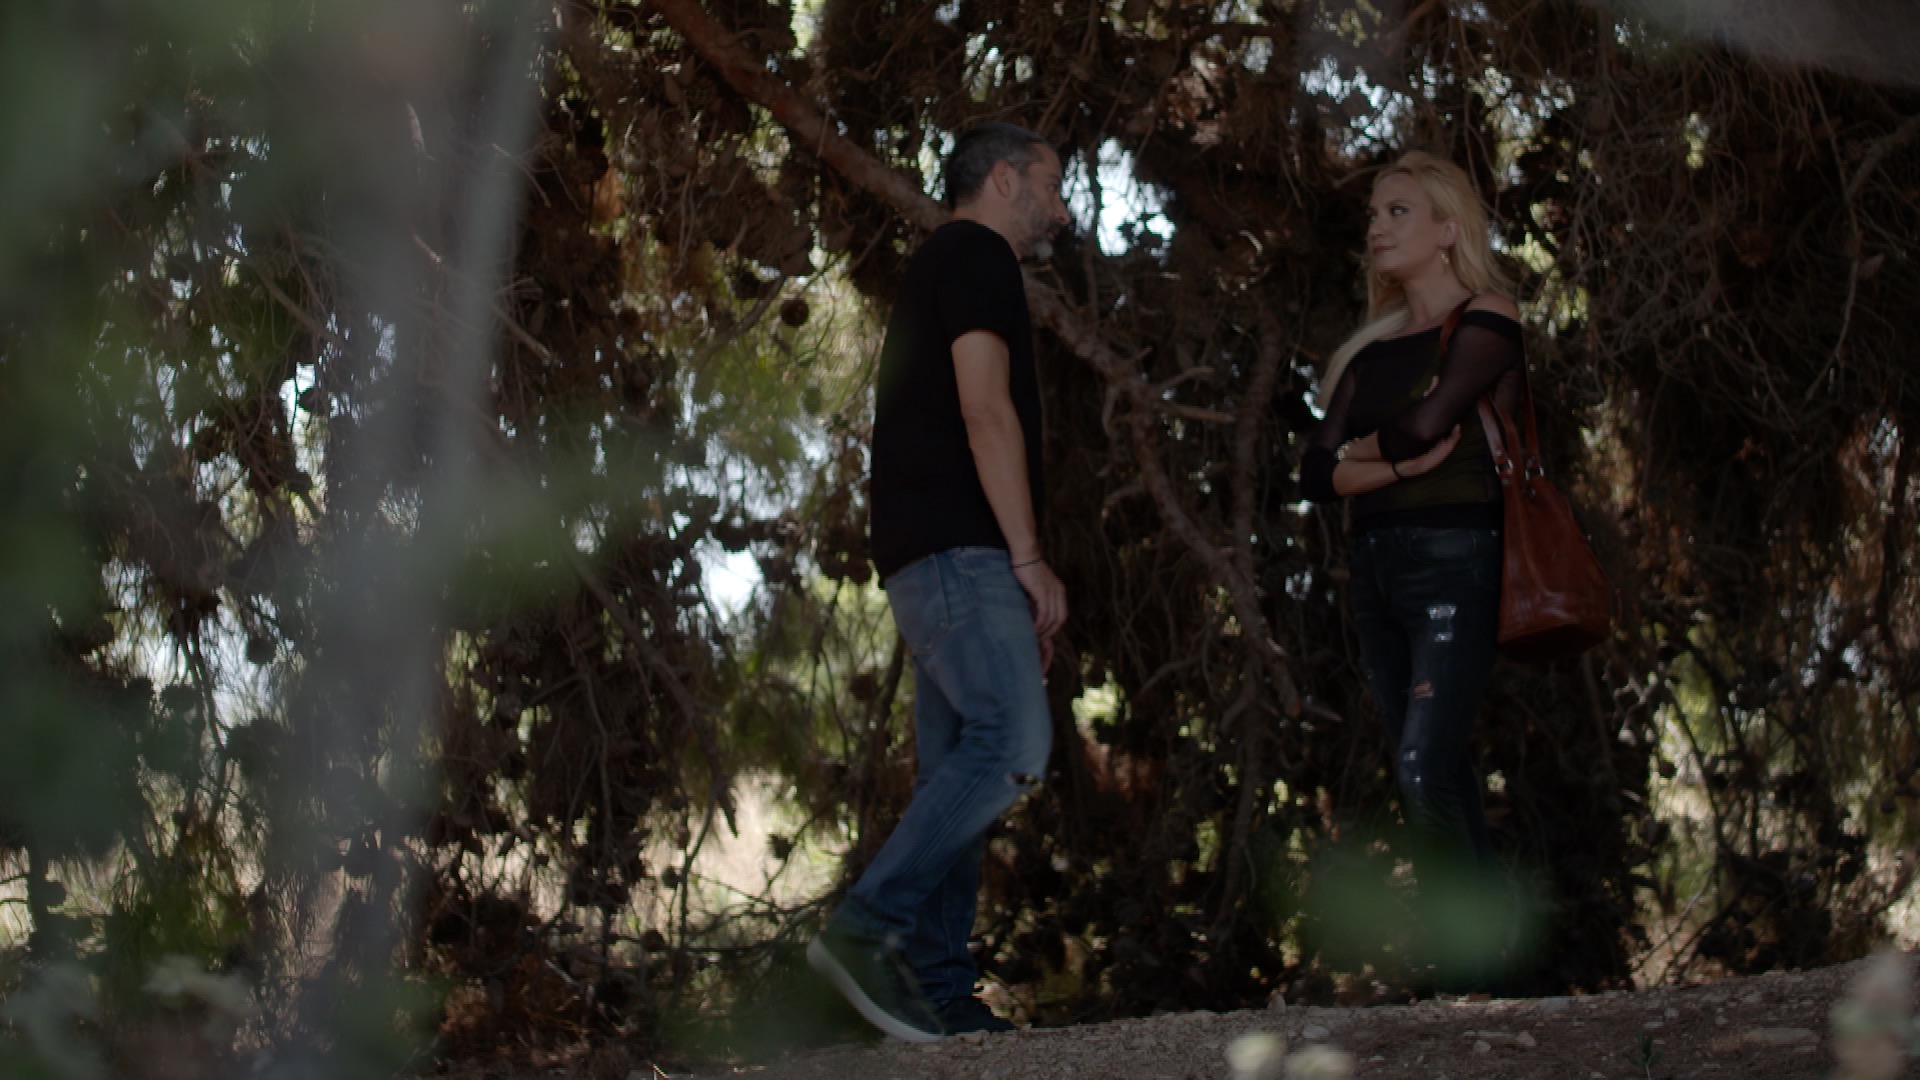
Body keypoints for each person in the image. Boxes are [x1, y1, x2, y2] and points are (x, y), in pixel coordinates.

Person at [807, 122, 1071, 1042]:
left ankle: (937, 991)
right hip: (962, 552)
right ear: (1003, 179)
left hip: (935, 559)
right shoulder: (974, 253)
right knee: (1012, 743)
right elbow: (984, 408)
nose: (1062, 210)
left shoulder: (941, 264)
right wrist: (1025, 557)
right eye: (1051, 185)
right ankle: (862, 930)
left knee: (959, 760)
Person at [1299, 151, 1525, 925]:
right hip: (1374, 569)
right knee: (1437, 772)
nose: (1377, 227)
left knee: (1423, 767)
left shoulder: (1489, 317)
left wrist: (1361, 457)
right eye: (1373, 214)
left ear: (1448, 230)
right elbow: (1313, 472)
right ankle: (1488, 965)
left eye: (1398, 212)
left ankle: (1464, 957)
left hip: (1454, 562)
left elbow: (1429, 424)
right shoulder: (1368, 354)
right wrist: (1390, 468)